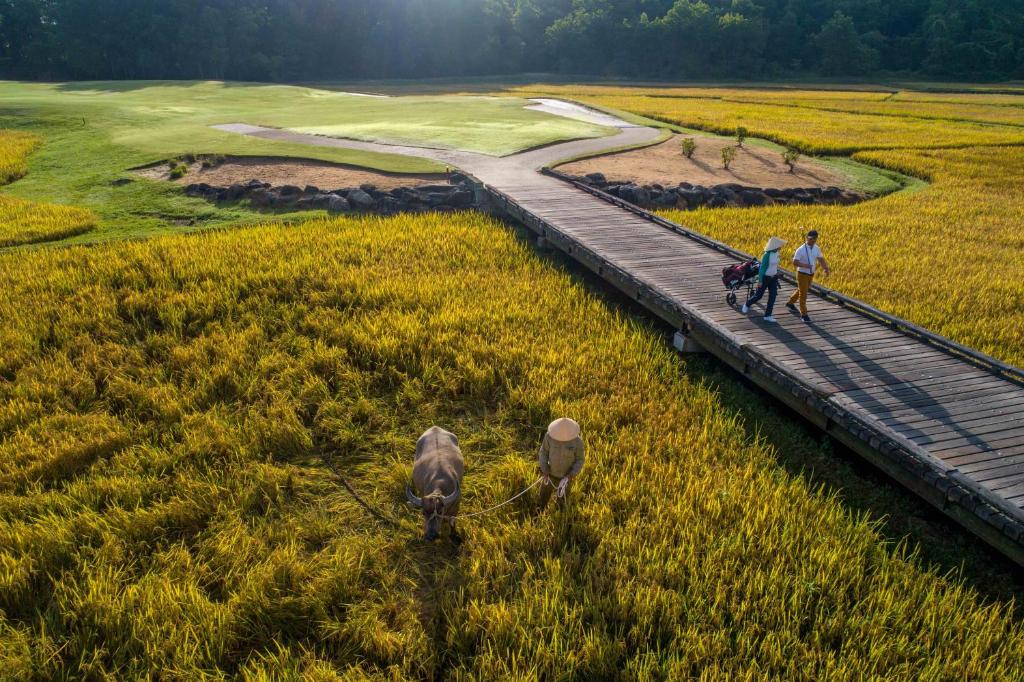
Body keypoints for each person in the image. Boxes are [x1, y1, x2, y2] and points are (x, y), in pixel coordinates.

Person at [537, 417, 584, 508]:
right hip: (550, 474)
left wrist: (571, 474)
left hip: (566, 477)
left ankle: (559, 512)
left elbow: (580, 459)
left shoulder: (577, 442)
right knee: (543, 496)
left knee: (562, 501)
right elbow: (543, 452)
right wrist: (545, 469)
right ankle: (540, 509)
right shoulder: (549, 437)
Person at [786, 229, 831, 322]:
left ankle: (790, 302)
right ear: (807, 238)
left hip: (811, 274)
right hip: (802, 274)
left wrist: (826, 268)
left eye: (814, 239)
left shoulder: (816, 248)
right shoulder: (801, 249)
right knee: (803, 294)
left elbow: (821, 259)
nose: (812, 240)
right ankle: (804, 315)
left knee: (802, 290)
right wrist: (805, 265)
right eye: (810, 238)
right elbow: (795, 262)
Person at [741, 236, 786, 323]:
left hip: (773, 278)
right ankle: (747, 304)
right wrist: (760, 281)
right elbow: (762, 269)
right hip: (765, 278)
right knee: (758, 296)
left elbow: (775, 265)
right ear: (774, 246)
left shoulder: (777, 253)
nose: (780, 247)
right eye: (779, 246)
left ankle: (768, 315)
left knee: (773, 296)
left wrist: (776, 273)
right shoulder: (767, 255)